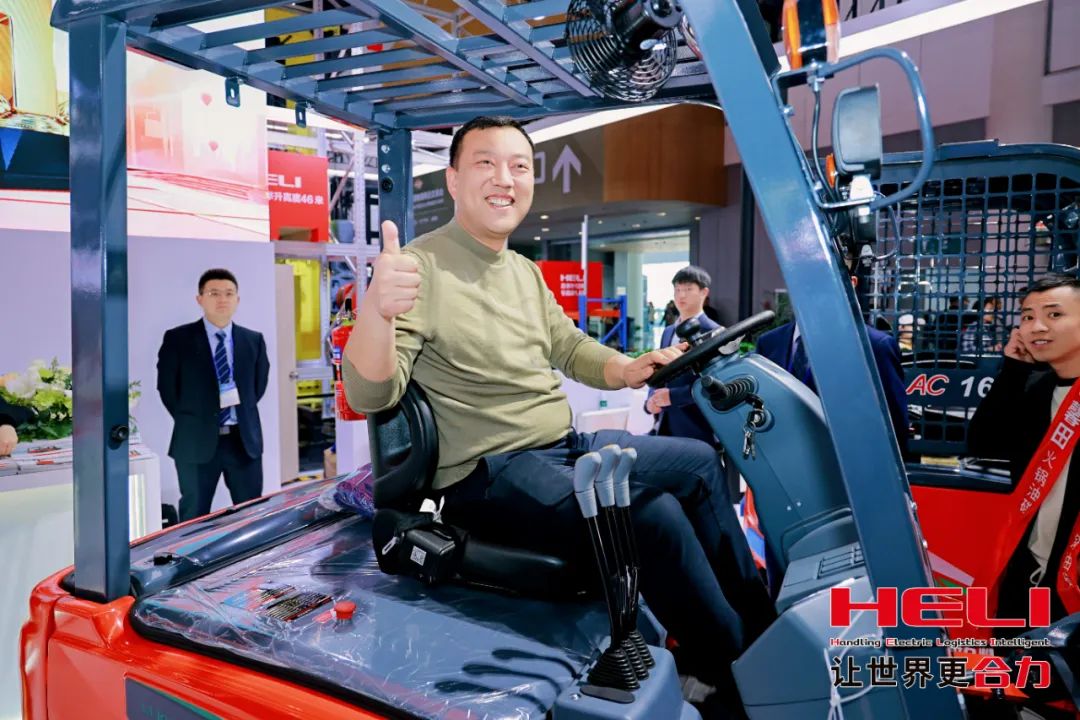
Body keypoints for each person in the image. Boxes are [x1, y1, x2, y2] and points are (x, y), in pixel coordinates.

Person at [342, 116, 773, 711]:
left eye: (519, 166)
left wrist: (626, 368)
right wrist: (377, 312)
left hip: (562, 447)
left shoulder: (522, 270)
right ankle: (733, 670)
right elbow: (371, 395)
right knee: (651, 515)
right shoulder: (421, 268)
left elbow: (567, 345)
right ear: (453, 180)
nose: (505, 178)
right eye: (486, 163)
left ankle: (762, 627)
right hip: (491, 473)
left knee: (698, 463)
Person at [967, 274, 1080, 624]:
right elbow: (984, 442)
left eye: (1054, 314)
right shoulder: (1035, 389)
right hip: (1028, 574)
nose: (1036, 327)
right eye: (1028, 316)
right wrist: (1014, 369)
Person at [157, 268, 270, 521]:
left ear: (237, 299)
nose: (222, 299)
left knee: (251, 514)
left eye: (229, 293)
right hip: (195, 441)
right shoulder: (178, 339)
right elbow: (167, 389)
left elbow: (257, 387)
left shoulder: (253, 340)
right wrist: (196, 418)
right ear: (200, 299)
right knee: (194, 515)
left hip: (243, 442)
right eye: (214, 293)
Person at [755, 274, 911, 455]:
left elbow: (895, 427)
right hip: (782, 463)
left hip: (846, 466)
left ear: (849, 284)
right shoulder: (770, 343)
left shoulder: (873, 347)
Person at [646, 266, 720, 445]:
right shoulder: (668, 332)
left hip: (698, 428)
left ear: (704, 292)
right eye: (677, 290)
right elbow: (659, 373)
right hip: (664, 426)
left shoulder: (715, 332)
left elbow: (718, 384)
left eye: (688, 289)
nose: (681, 295)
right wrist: (650, 400)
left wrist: (673, 396)